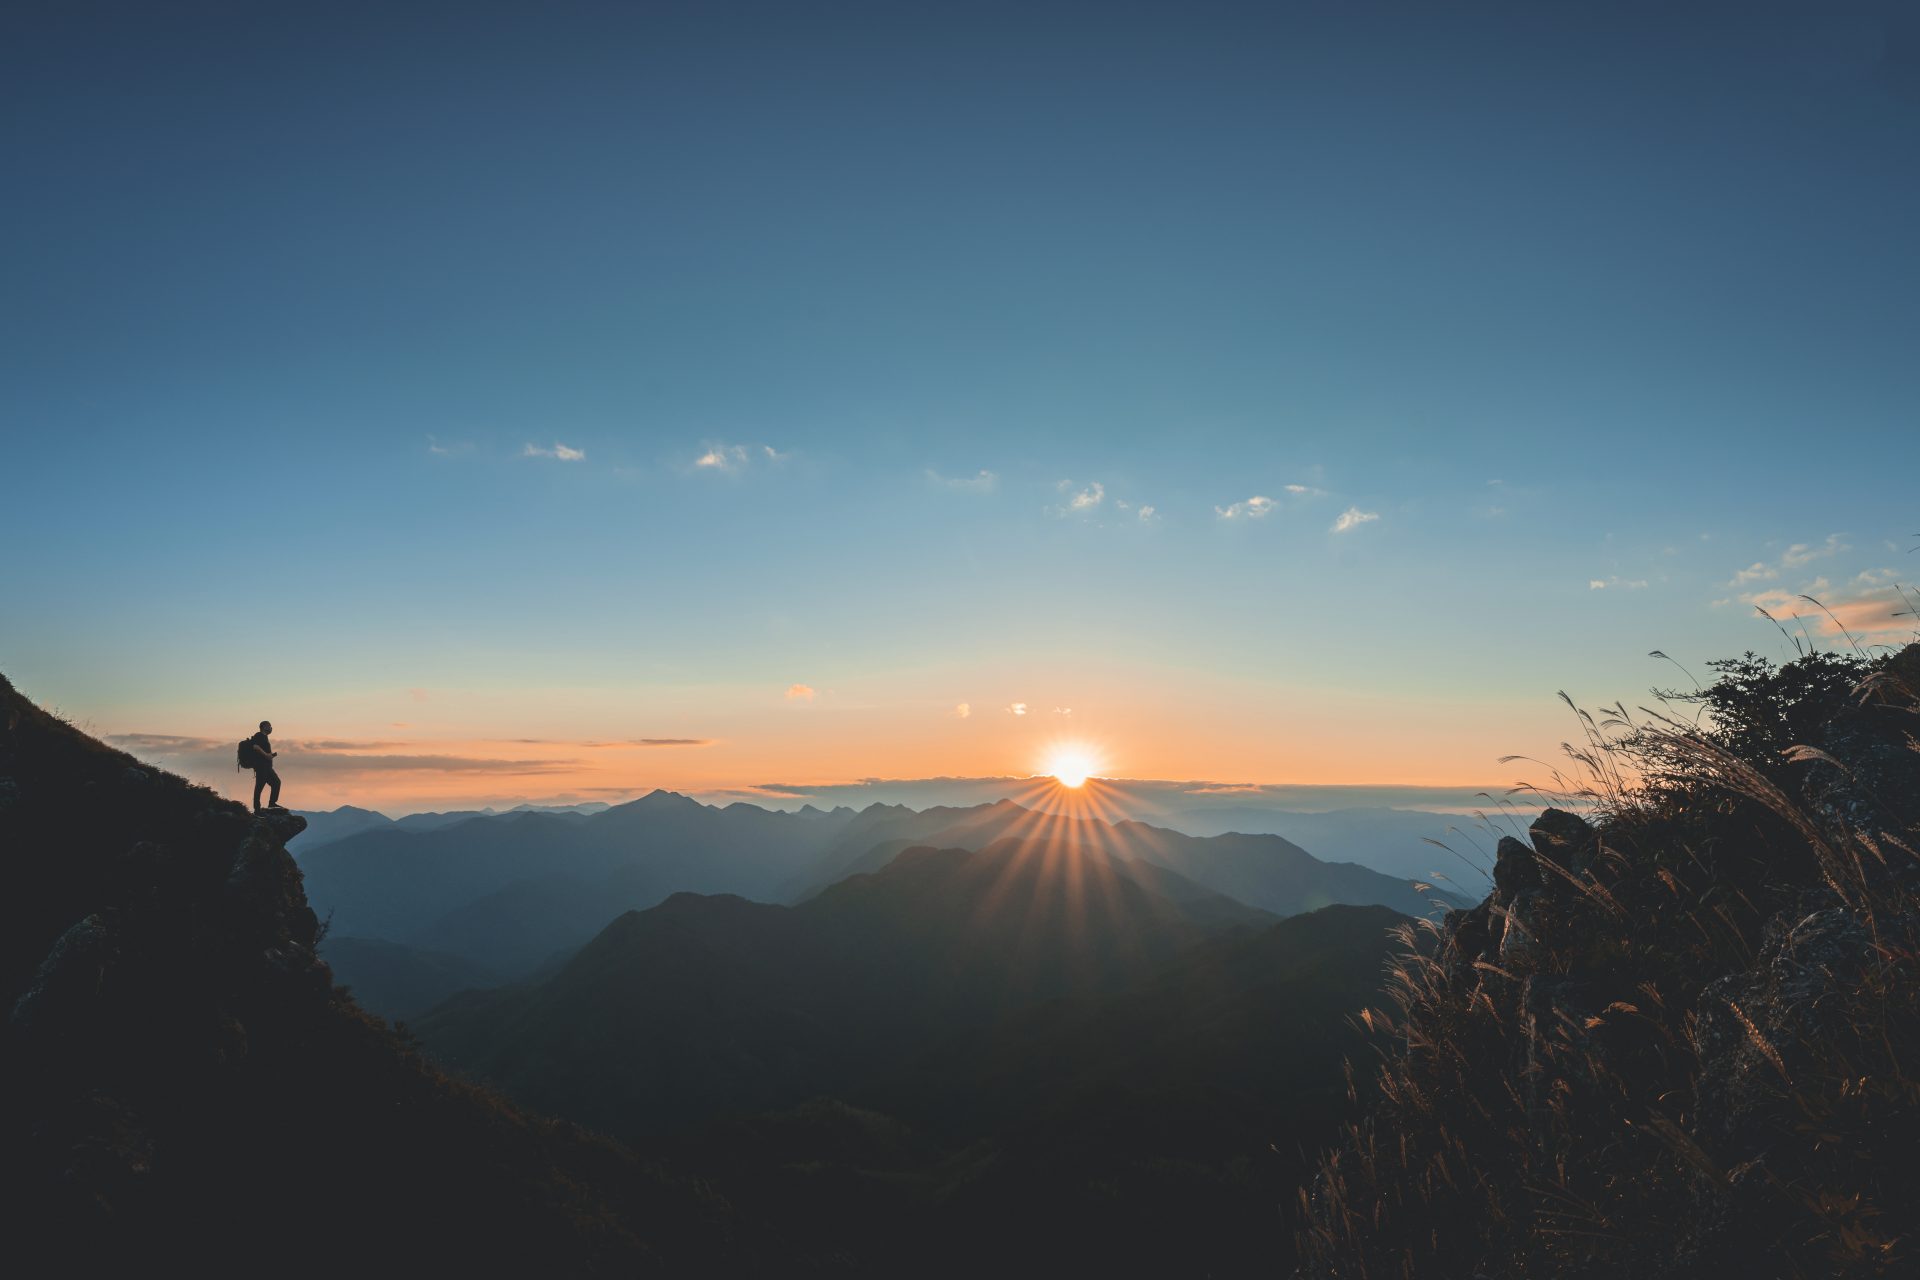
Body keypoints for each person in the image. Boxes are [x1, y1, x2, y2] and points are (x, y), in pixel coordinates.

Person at [246, 720, 285, 811]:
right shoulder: (259, 735)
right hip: (261, 767)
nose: (271, 728)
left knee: (276, 783)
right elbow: (255, 747)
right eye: (270, 726)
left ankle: (272, 803)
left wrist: (270, 756)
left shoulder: (264, 737)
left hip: (267, 767)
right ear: (264, 727)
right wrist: (266, 755)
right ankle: (257, 809)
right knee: (259, 787)